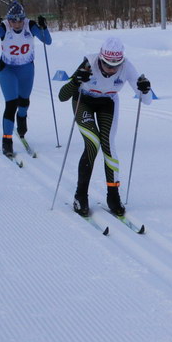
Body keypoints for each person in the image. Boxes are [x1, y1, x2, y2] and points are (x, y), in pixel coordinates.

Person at [58, 37, 152, 217]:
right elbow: (62, 96)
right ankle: (80, 196)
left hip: (107, 103)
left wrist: (145, 89)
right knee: (93, 144)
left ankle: (113, 195)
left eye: (116, 66)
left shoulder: (127, 67)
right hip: (84, 101)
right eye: (107, 65)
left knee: (108, 144)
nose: (111, 70)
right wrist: (76, 81)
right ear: (100, 59)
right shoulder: (89, 62)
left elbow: (145, 101)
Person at [0, 1, 52, 158]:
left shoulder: (30, 25)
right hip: (7, 69)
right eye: (13, 20)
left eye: (20, 19)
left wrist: (44, 27)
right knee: (11, 104)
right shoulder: (4, 27)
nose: (17, 23)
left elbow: (47, 41)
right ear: (9, 20)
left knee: (24, 102)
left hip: (26, 69)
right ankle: (7, 141)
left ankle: (21, 119)